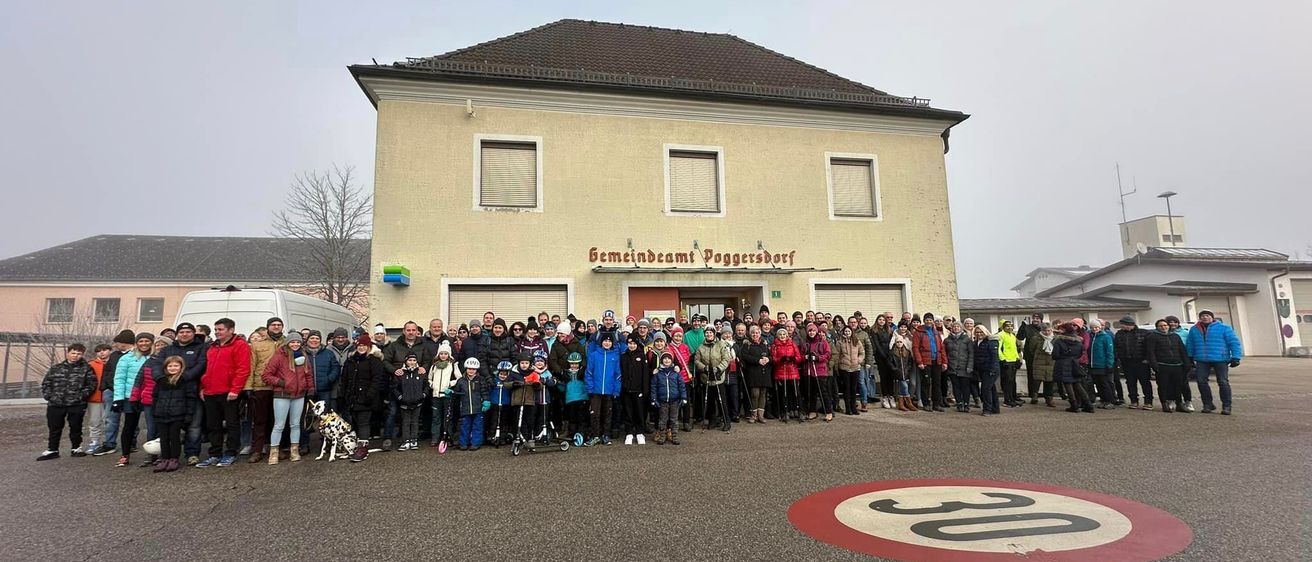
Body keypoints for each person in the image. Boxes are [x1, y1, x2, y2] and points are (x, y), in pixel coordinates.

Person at [197, 319, 250, 468]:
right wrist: (202, 387)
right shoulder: (212, 346)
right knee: (213, 425)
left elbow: (243, 369)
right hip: (210, 391)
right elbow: (206, 368)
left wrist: (235, 389)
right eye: (216, 330)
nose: (217, 332)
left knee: (232, 424)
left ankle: (231, 452)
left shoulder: (240, 345)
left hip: (228, 391)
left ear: (231, 330)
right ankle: (215, 454)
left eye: (220, 329)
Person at [260, 332, 315, 463]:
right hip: (282, 395)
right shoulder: (279, 356)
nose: (295, 344)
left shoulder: (303, 356)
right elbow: (266, 375)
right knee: (279, 425)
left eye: (298, 342)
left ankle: (294, 450)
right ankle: (274, 452)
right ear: (288, 343)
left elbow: (308, 374)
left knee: (295, 424)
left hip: (299, 395)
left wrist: (310, 388)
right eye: (293, 342)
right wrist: (281, 383)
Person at [38, 343, 98, 461]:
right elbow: (46, 383)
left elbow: (91, 385)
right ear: (68, 353)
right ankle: (53, 450)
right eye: (73, 353)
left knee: (76, 427)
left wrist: (81, 396)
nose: (75, 356)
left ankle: (76, 448)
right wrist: (49, 396)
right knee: (54, 427)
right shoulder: (56, 368)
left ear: (82, 355)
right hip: (56, 403)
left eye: (79, 354)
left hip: (76, 404)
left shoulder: (86, 368)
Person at [1185, 310, 1242, 415]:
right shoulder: (1194, 329)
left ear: (1212, 317)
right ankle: (1208, 404)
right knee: (1201, 381)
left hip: (1220, 359)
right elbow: (1190, 343)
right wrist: (1190, 356)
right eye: (1202, 316)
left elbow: (1234, 342)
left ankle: (1226, 406)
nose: (1205, 317)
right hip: (1202, 359)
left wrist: (1236, 357)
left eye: (1207, 315)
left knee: (1223, 382)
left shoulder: (1224, 328)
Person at [339, 334, 387, 461]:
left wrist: (369, 395)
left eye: (364, 345)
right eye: (359, 345)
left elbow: (377, 380)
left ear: (369, 347)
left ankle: (363, 448)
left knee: (363, 423)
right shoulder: (350, 361)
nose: (361, 348)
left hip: (366, 398)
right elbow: (344, 379)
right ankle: (355, 446)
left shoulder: (374, 361)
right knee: (354, 422)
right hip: (352, 397)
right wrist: (343, 395)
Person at [245, 317, 285, 463]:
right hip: (261, 386)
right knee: (260, 420)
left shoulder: (287, 343)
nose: (276, 327)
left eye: (279, 325)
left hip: (280, 386)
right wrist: (248, 386)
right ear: (268, 327)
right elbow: (251, 366)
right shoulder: (257, 344)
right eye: (273, 325)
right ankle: (257, 450)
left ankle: (276, 448)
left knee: (278, 420)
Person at [112, 333, 154, 467]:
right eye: (141, 341)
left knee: (152, 426)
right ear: (136, 343)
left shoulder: (156, 357)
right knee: (129, 426)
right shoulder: (126, 358)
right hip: (130, 396)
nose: (144, 343)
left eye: (147, 341)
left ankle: (153, 454)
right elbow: (119, 378)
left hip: (150, 395)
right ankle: (125, 454)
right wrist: (118, 398)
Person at [151, 356, 198, 472]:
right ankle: (165, 458)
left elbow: (190, 399)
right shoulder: (161, 381)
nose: (173, 368)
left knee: (174, 437)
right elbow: (155, 397)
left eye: (176, 366)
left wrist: (188, 415)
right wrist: (155, 411)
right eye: (170, 366)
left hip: (177, 414)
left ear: (181, 367)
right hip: (162, 413)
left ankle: (174, 458)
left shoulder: (185, 381)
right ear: (165, 367)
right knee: (164, 438)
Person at [92, 329, 135, 457]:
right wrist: (105, 387)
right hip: (111, 391)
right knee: (110, 419)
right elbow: (107, 371)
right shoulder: (115, 355)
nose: (115, 345)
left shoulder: (136, 355)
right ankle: (109, 443)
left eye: (117, 342)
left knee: (131, 419)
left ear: (124, 342)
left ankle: (131, 442)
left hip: (129, 392)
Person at [1147, 319, 1193, 413]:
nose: (1163, 327)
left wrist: (1187, 363)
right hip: (1162, 365)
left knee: (1178, 385)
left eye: (1165, 325)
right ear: (1157, 327)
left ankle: (1179, 404)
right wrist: (1154, 364)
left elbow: (1182, 350)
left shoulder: (1175, 336)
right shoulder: (1153, 337)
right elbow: (1150, 352)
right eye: (1161, 326)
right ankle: (1165, 403)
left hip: (1177, 365)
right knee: (1163, 386)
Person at [584, 333, 621, 446]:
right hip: (596, 390)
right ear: (601, 342)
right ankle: (595, 435)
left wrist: (616, 390)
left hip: (609, 390)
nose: (607, 343)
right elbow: (589, 372)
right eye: (605, 341)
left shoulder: (615, 356)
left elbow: (618, 375)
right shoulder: (594, 355)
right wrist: (590, 388)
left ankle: (605, 435)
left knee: (607, 413)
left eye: (609, 341)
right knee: (595, 413)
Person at [694, 326, 731, 432]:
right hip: (706, 377)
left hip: (718, 376)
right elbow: (697, 361)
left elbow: (726, 359)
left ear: (714, 334)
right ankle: (712, 420)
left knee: (721, 401)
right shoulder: (701, 347)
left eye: (711, 332)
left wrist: (719, 368)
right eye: (707, 333)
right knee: (709, 401)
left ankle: (726, 421)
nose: (709, 334)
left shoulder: (721, 344)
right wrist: (704, 368)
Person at [1053, 323, 1094, 413]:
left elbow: (1055, 355)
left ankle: (1074, 405)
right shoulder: (1078, 341)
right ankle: (1088, 405)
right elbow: (1080, 353)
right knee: (1077, 383)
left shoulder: (1059, 341)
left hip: (1063, 364)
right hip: (1074, 363)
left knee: (1067, 384)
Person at [1114, 316, 1153, 410]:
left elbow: (1149, 347)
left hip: (1141, 362)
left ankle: (1148, 402)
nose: (1121, 326)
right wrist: (1119, 358)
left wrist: (1147, 359)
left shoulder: (1144, 333)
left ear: (1129, 324)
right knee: (1130, 382)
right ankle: (1133, 401)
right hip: (1127, 362)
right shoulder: (1119, 334)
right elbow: (1117, 347)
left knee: (1145, 382)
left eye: (1122, 324)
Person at [450, 358, 489, 451]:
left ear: (477, 370)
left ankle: (475, 443)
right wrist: (451, 392)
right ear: (466, 369)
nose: (471, 371)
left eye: (473, 369)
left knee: (477, 426)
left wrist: (486, 401)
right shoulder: (461, 381)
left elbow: (484, 392)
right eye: (469, 369)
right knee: (464, 426)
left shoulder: (481, 380)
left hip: (478, 408)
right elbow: (457, 392)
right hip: (465, 408)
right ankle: (463, 443)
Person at [619, 336, 652, 444]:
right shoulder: (623, 356)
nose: (632, 345)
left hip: (639, 390)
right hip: (627, 390)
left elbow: (645, 375)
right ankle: (629, 433)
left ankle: (639, 432)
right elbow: (621, 373)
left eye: (634, 343)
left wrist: (645, 390)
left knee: (639, 412)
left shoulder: (642, 356)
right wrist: (623, 387)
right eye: (630, 343)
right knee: (628, 412)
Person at [801, 322, 835, 422]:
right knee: (811, 392)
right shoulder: (805, 343)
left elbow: (828, 355)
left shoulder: (822, 342)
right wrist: (805, 357)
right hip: (808, 370)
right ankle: (812, 411)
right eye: (810, 331)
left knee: (822, 391)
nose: (811, 333)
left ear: (816, 332)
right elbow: (801, 355)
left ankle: (828, 411)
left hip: (820, 370)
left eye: (813, 331)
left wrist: (818, 358)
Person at [650, 352, 686, 445]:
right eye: (664, 358)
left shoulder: (676, 373)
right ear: (661, 360)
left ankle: (674, 436)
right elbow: (653, 387)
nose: (667, 360)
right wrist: (654, 399)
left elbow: (682, 386)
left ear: (672, 360)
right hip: (662, 400)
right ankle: (662, 436)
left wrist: (683, 397)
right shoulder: (658, 373)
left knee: (674, 419)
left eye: (669, 358)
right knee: (663, 419)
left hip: (675, 400)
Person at [394, 353, 428, 451]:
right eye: (410, 360)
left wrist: (423, 395)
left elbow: (426, 385)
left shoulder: (420, 373)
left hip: (417, 402)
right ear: (406, 361)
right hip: (404, 403)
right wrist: (400, 397)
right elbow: (395, 387)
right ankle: (405, 441)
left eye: (414, 360)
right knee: (405, 422)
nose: (412, 362)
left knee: (415, 422)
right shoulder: (401, 373)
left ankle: (414, 440)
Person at [428, 342, 459, 448]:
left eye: (445, 354)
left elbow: (459, 378)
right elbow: (429, 378)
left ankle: (448, 437)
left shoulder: (453, 365)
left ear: (449, 354)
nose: (443, 356)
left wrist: (450, 384)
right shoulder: (434, 366)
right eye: (441, 353)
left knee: (448, 417)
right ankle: (435, 437)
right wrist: (432, 385)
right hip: (436, 395)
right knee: (436, 417)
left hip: (447, 395)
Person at [739, 325, 771, 424]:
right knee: (755, 394)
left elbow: (770, 355)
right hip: (753, 372)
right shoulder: (747, 344)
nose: (755, 335)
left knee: (763, 394)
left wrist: (768, 359)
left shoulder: (764, 344)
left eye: (757, 333)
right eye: (753, 333)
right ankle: (753, 415)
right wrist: (757, 360)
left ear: (760, 334)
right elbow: (744, 356)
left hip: (764, 372)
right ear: (750, 334)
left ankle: (761, 415)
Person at [84, 344, 112, 456]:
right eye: (99, 351)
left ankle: (108, 442)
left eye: (104, 350)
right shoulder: (91, 365)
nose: (102, 352)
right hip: (94, 397)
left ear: (110, 351)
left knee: (109, 422)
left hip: (110, 397)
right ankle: (94, 441)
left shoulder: (114, 363)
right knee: (94, 421)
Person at [770, 326, 802, 422]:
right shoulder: (775, 346)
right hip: (781, 372)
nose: (782, 336)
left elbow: (799, 357)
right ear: (777, 336)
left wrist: (794, 359)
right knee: (784, 393)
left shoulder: (792, 344)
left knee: (795, 393)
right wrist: (780, 360)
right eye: (780, 334)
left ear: (787, 335)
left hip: (792, 371)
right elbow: (774, 359)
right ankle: (785, 411)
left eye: (784, 334)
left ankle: (798, 410)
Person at [833, 325, 865, 416]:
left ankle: (853, 407)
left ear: (851, 332)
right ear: (843, 332)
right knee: (846, 389)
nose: (847, 333)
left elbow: (862, 352)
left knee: (854, 389)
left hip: (855, 368)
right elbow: (837, 355)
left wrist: (859, 360)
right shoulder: (839, 342)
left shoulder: (856, 341)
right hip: (844, 368)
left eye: (849, 331)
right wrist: (837, 366)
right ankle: (848, 408)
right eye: (846, 331)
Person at [1165, 316, 1195, 412]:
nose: (1173, 324)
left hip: (1183, 360)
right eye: (1170, 322)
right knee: (1171, 383)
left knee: (1184, 383)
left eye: (1175, 322)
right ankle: (1174, 401)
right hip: (1170, 362)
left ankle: (1188, 401)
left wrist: (1190, 359)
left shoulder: (1185, 333)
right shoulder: (1165, 333)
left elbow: (1190, 345)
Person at [1024, 323, 1057, 408]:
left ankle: (1049, 398)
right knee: (1037, 380)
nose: (1047, 332)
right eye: (1045, 331)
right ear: (1041, 330)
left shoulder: (1055, 339)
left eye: (1049, 330)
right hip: (1039, 361)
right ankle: (1034, 396)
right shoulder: (1036, 338)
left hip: (1051, 362)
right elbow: (1031, 349)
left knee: (1049, 381)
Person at [943, 322, 973, 413]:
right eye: (954, 326)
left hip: (964, 366)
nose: (956, 328)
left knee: (965, 387)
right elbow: (944, 353)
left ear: (961, 328)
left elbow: (971, 354)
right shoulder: (947, 340)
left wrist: (970, 366)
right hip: (952, 366)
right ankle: (959, 403)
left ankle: (966, 404)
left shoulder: (967, 340)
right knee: (956, 387)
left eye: (958, 326)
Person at [971, 325, 1001, 416]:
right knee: (991, 388)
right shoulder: (975, 343)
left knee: (985, 389)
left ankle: (987, 409)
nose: (979, 334)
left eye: (981, 332)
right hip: (982, 369)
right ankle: (995, 408)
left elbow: (994, 357)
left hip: (990, 369)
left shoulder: (991, 342)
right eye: (977, 332)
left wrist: (993, 370)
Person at [1089, 320, 1117, 408]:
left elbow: (1109, 352)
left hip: (1103, 365)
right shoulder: (1092, 337)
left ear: (1100, 327)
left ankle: (1110, 401)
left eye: (1096, 327)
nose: (1094, 329)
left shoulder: (1106, 337)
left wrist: (1109, 364)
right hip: (1094, 365)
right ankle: (1103, 400)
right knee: (1098, 384)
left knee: (1105, 384)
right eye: (1092, 327)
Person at [562, 353, 588, 441]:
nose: (574, 365)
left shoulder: (583, 372)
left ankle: (582, 433)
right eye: (572, 363)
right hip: (570, 398)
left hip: (582, 397)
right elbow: (562, 387)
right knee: (572, 417)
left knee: (582, 417)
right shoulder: (566, 373)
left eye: (576, 363)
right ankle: (572, 434)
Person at [997, 321, 1021, 407]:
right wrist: (1003, 359)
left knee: (1012, 381)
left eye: (1011, 326)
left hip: (1013, 360)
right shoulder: (1000, 335)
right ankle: (1007, 400)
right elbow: (998, 349)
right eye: (1007, 326)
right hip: (1006, 361)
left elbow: (1014, 349)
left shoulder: (1012, 336)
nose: (1010, 327)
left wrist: (1018, 359)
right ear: (1003, 327)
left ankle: (1012, 398)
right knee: (1007, 382)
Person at [889, 336, 917, 411]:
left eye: (900, 342)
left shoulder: (907, 352)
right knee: (905, 386)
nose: (899, 343)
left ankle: (901, 404)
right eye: (897, 342)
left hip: (905, 372)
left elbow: (910, 362)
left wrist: (907, 369)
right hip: (897, 373)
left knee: (902, 388)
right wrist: (895, 369)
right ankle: (909, 403)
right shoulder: (892, 352)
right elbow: (890, 363)